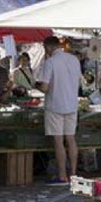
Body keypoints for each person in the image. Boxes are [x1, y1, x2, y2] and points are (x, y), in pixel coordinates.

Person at [36, 35, 82, 185]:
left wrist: (35, 84)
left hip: (55, 104)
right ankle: (74, 174)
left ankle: (62, 176)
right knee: (71, 138)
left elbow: (44, 87)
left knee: (58, 141)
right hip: (72, 104)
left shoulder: (50, 62)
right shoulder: (74, 60)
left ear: (48, 47)